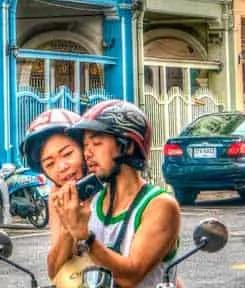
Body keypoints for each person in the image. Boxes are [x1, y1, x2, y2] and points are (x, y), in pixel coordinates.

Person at [53, 100, 181, 288]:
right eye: (85, 145)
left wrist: (84, 236)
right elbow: (54, 272)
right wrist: (67, 226)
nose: (87, 153)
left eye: (96, 142)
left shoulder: (159, 205)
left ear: (127, 146)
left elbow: (130, 276)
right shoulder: (91, 200)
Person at [20, 109, 88, 282]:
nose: (61, 167)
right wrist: (69, 226)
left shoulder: (108, 185)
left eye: (67, 154)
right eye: (50, 163)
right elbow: (54, 269)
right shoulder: (57, 196)